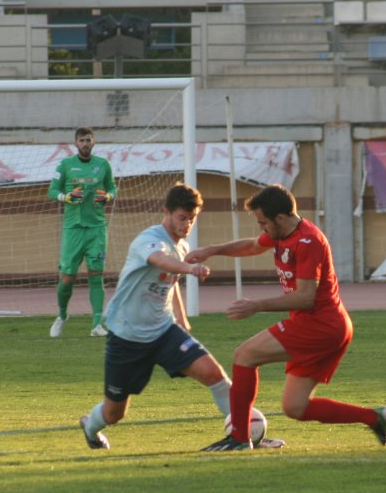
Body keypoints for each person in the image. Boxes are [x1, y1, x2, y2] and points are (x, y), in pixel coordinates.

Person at [78, 184, 283, 450]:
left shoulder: (181, 246)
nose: (187, 224)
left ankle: (245, 436)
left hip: (164, 331)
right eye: (182, 217)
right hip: (128, 337)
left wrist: (181, 317)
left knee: (215, 375)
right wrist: (189, 268)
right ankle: (90, 427)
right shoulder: (149, 240)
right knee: (114, 412)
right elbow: (161, 261)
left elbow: (170, 281)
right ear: (166, 212)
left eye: (192, 218)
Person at [188, 184, 386, 451]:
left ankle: (239, 438)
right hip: (327, 326)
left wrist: (256, 305)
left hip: (319, 325)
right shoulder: (280, 232)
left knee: (244, 355)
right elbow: (251, 246)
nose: (262, 229)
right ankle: (374, 417)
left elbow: (305, 297)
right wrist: (211, 250)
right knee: (295, 407)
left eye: (263, 223)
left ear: (281, 218)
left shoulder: (309, 241)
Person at [48, 127, 117, 338]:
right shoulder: (65, 165)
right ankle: (62, 315)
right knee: (67, 277)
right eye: (82, 140)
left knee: (96, 275)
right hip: (73, 228)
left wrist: (107, 197)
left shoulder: (103, 165)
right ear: (76, 143)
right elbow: (52, 191)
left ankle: (97, 324)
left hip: (96, 228)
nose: (85, 144)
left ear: (93, 142)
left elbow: (112, 188)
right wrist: (66, 197)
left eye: (88, 140)